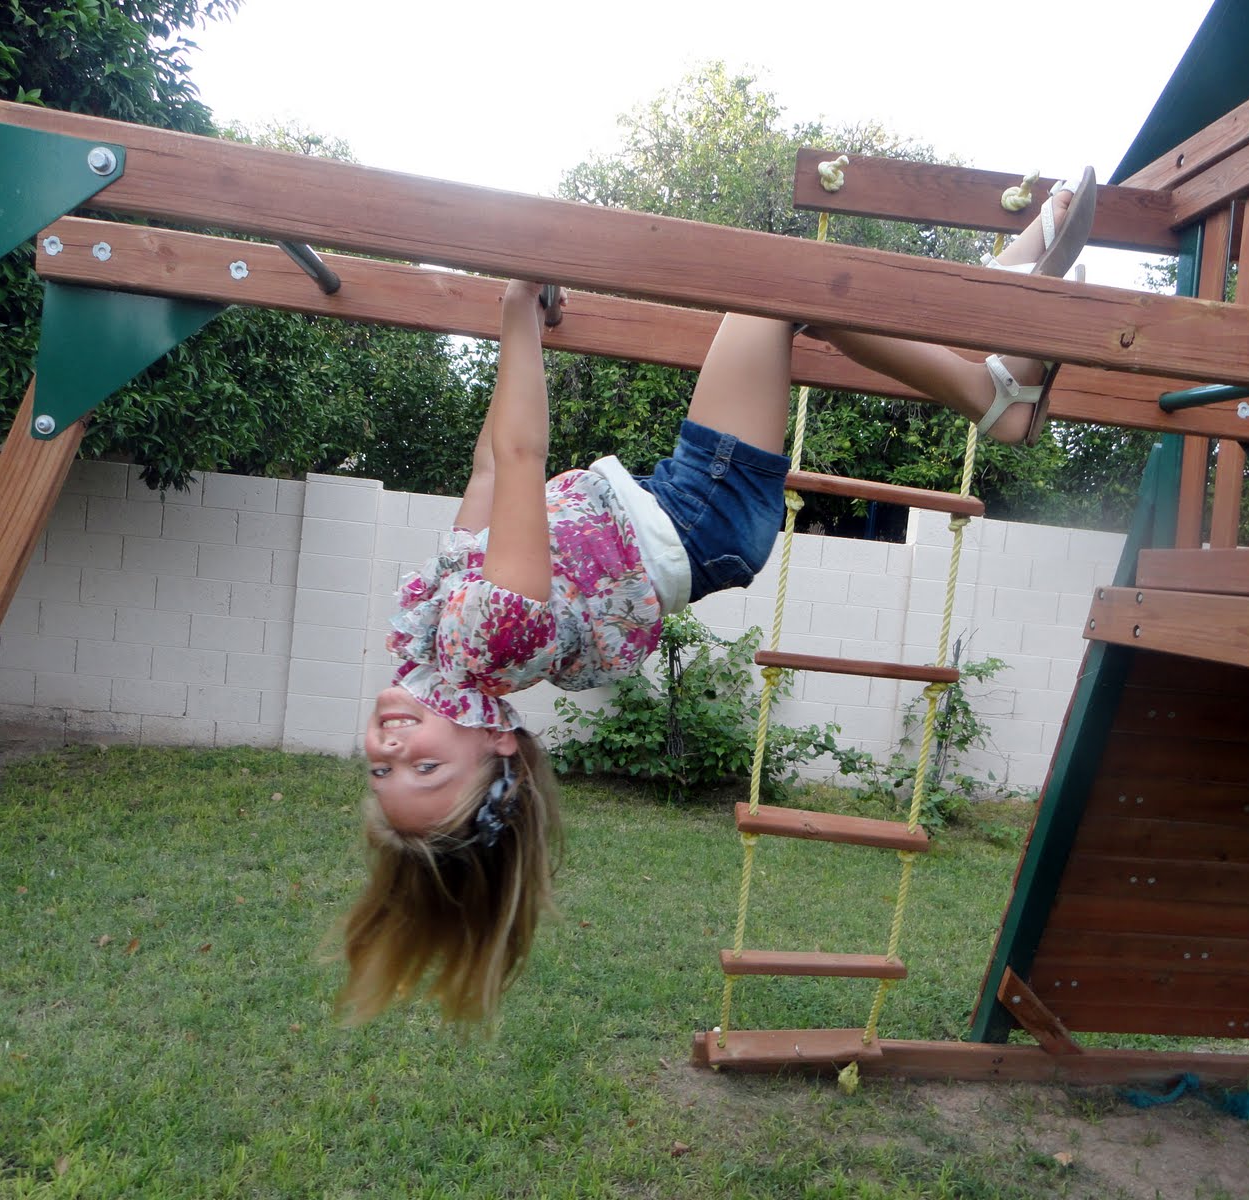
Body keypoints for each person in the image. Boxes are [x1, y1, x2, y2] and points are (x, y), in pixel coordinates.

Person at [339, 170, 1097, 1026]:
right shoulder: (492, 644)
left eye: (383, 767)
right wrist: (517, 303)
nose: (393, 745)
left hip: (687, 504)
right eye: (425, 767)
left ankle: (1006, 315)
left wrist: (528, 313)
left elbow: (485, 469)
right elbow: (520, 457)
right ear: (496, 749)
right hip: (703, 510)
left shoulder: (435, 638)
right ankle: (992, 384)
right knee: (779, 288)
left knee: (798, 298)